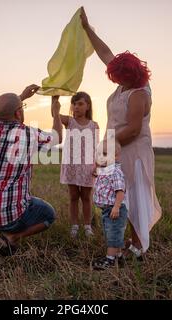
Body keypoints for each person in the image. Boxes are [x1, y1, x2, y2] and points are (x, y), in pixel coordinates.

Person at [80, 7, 162, 258]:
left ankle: (138, 247)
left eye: (116, 76)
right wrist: (87, 28)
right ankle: (128, 240)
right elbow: (105, 54)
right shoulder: (126, 82)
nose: (113, 79)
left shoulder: (138, 93)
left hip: (133, 150)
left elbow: (135, 129)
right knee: (120, 193)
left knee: (135, 196)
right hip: (117, 147)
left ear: (128, 76)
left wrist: (105, 146)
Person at [0, 84, 63, 255]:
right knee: (49, 214)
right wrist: (55, 111)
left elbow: (2, 111)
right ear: (19, 113)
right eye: (22, 108)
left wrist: (21, 98)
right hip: (7, 216)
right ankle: (12, 237)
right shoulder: (27, 135)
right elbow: (57, 137)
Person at [55, 92, 99, 238]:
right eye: (74, 104)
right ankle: (74, 225)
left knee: (86, 197)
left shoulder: (94, 125)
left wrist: (97, 166)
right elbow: (54, 114)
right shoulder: (69, 121)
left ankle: (87, 226)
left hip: (87, 166)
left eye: (80, 104)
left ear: (88, 106)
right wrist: (54, 100)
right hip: (72, 165)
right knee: (73, 196)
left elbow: (96, 147)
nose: (76, 107)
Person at [92, 139, 127, 269]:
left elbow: (120, 192)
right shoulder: (106, 170)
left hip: (115, 209)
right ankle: (118, 256)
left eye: (105, 154)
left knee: (113, 234)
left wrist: (117, 207)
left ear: (116, 156)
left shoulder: (116, 172)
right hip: (107, 210)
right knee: (112, 233)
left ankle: (110, 260)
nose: (101, 157)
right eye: (99, 154)